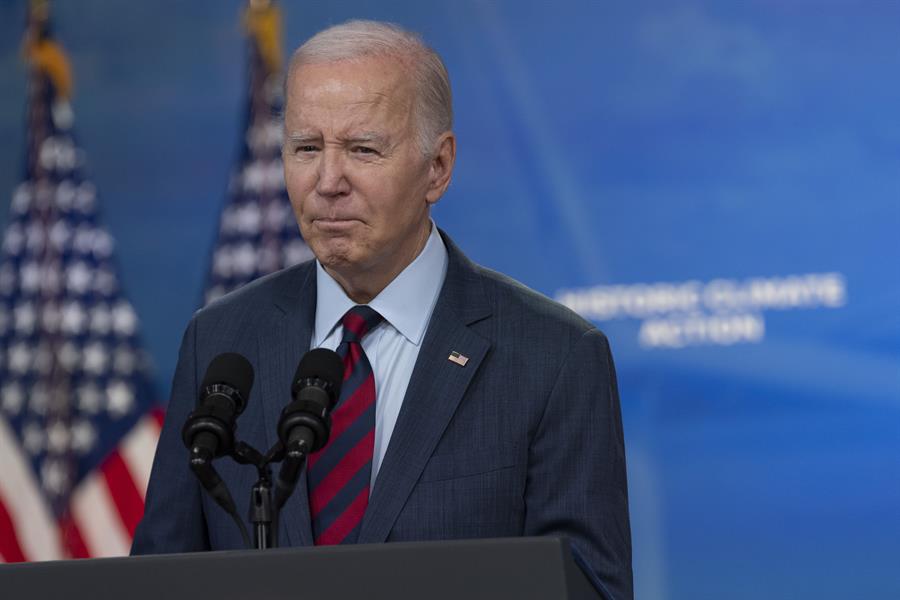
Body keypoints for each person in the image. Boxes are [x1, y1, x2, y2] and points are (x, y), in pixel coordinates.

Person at [132, 20, 632, 600]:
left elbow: (588, 591)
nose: (328, 181)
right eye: (306, 148)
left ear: (438, 167)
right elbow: (158, 578)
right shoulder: (221, 341)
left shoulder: (554, 358)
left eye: (363, 149)